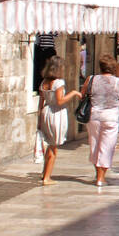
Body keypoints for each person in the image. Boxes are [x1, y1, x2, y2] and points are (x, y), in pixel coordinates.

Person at [81, 54, 119, 188]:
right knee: (107, 147)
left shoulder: (91, 79)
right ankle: (101, 178)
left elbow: (83, 94)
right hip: (111, 117)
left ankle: (98, 175)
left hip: (94, 116)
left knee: (95, 145)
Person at [36, 56, 81, 185]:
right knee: (53, 146)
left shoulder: (43, 82)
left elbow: (41, 102)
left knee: (50, 144)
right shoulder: (58, 83)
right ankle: (47, 178)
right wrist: (73, 93)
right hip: (56, 113)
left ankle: (45, 173)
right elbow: (60, 100)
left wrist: (39, 119)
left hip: (46, 112)